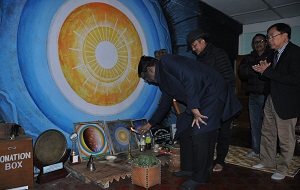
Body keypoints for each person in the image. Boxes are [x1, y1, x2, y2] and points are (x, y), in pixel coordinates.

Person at [137, 54, 241, 190]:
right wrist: (150, 124)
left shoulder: (166, 61)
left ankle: (201, 177)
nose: (148, 81)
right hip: (200, 98)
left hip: (212, 93)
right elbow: (165, 103)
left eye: (146, 78)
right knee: (184, 128)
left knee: (201, 132)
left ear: (150, 69)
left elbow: (188, 77)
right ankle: (188, 168)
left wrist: (193, 107)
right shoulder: (164, 81)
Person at [252, 23, 300, 180]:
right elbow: (269, 76)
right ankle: (267, 160)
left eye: (272, 36)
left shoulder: (296, 53)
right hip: (271, 98)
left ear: (284, 35)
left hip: (287, 101)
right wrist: (263, 72)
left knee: (285, 137)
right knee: (267, 132)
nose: (269, 40)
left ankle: (283, 168)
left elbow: (295, 79)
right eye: (268, 37)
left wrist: (268, 72)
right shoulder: (273, 54)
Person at [186, 29, 237, 172]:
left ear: (202, 41)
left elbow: (229, 79)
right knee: (210, 132)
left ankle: (220, 160)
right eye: (191, 46)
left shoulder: (218, 54)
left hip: (223, 100)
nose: (193, 49)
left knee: (223, 132)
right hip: (208, 101)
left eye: (195, 45)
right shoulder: (199, 59)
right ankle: (207, 160)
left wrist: (218, 99)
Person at [238, 34, 273, 158]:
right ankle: (256, 149)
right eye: (255, 42)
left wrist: (255, 69)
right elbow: (242, 73)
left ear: (266, 42)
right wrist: (257, 69)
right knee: (255, 124)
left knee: (267, 125)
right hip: (252, 95)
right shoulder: (248, 57)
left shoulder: (271, 55)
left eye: (260, 41)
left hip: (267, 96)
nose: (257, 44)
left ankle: (267, 153)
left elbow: (270, 73)